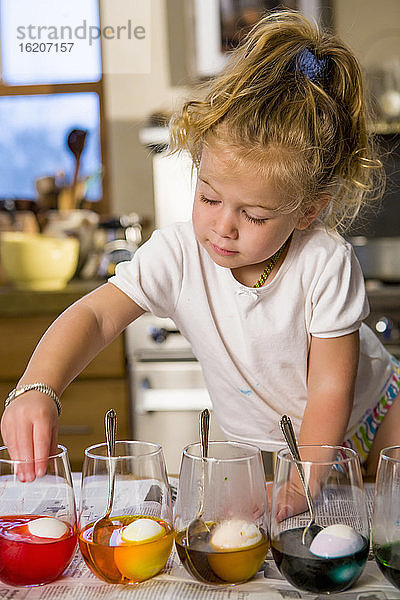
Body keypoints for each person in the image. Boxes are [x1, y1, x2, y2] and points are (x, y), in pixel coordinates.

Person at [2, 10, 399, 483]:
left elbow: (331, 388)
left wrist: (302, 480)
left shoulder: (325, 262)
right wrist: (36, 387)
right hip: (272, 445)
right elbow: (95, 315)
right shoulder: (177, 254)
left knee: (381, 526)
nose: (223, 227)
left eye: (254, 215)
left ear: (308, 211)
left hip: (375, 413)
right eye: (209, 197)